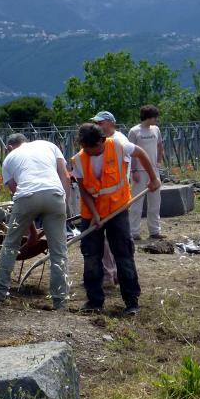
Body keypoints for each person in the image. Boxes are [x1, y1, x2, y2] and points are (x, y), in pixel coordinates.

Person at [72, 122, 161, 315]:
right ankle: (94, 301)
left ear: (101, 141)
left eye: (92, 147)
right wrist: (95, 215)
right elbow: (84, 191)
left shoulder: (119, 146)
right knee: (91, 256)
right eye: (85, 148)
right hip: (91, 214)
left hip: (117, 209)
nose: (89, 152)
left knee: (123, 254)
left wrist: (153, 178)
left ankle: (131, 302)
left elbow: (141, 153)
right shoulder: (79, 159)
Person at [0, 133, 71, 310]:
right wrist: (63, 204)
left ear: (9, 147)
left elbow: (17, 194)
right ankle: (60, 301)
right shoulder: (48, 145)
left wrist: (32, 232)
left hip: (27, 198)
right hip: (55, 196)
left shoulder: (9, 158)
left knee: (10, 245)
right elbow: (65, 176)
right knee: (59, 252)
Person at [91, 110, 130, 283]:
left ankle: (112, 274)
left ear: (110, 123)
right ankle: (111, 272)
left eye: (100, 123)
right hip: (103, 197)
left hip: (116, 198)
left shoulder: (119, 141)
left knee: (115, 239)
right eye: (96, 123)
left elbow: (124, 167)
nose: (97, 125)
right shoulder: (100, 141)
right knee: (105, 238)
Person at [127, 104, 165, 240]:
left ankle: (154, 231)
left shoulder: (156, 129)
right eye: (154, 117)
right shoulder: (134, 131)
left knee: (155, 202)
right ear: (148, 117)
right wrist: (134, 170)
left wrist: (159, 160)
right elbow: (130, 152)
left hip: (153, 170)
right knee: (137, 202)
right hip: (139, 171)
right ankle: (134, 232)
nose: (156, 120)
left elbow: (160, 145)